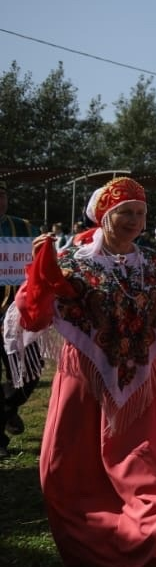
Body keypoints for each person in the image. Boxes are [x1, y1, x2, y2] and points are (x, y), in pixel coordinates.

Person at [7, 177, 156, 567]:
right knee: (75, 466)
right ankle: (93, 549)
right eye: (125, 213)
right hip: (85, 376)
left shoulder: (149, 262)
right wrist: (39, 273)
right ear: (104, 216)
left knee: (150, 463)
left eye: (140, 213)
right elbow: (34, 315)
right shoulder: (74, 261)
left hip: (140, 379)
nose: (134, 220)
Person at [1, 181, 40, 457]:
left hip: (17, 314)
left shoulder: (24, 228)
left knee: (30, 373)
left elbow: (42, 264)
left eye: (1, 194)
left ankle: (7, 407)